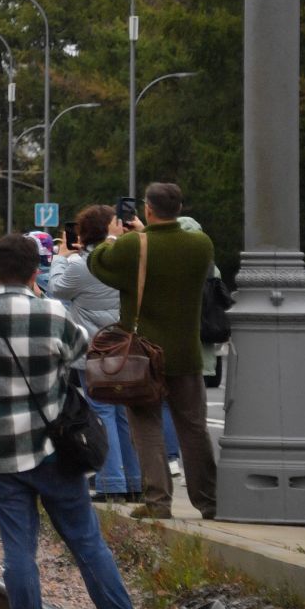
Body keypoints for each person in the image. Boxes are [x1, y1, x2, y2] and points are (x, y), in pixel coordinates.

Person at [0, 233, 147, 609]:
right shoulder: (55, 315)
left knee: (18, 554)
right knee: (88, 546)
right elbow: (82, 360)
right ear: (35, 271)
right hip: (56, 451)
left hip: (1, 455)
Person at [87, 181, 218, 521]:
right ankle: (209, 501)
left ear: (147, 208)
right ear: (180, 208)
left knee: (146, 428)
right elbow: (169, 254)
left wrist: (115, 237)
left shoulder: (132, 246)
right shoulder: (201, 245)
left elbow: (99, 264)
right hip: (186, 354)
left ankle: (158, 502)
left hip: (144, 355)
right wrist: (144, 235)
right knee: (194, 428)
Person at [49, 205, 141, 503]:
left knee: (102, 412)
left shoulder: (80, 265)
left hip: (93, 348)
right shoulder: (129, 261)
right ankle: (134, 480)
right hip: (124, 345)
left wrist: (60, 258)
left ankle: (111, 482)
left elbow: (56, 290)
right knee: (125, 414)